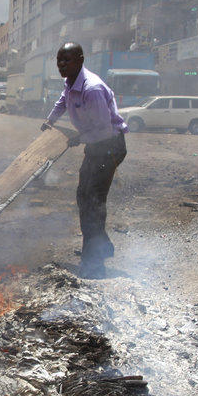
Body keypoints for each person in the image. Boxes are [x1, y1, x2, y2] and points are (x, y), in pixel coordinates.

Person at [41, 42, 128, 279]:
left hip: (109, 145)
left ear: (80, 59)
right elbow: (62, 102)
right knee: (83, 196)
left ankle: (95, 263)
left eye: (66, 60)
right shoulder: (70, 83)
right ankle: (100, 247)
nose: (61, 65)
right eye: (59, 60)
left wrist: (78, 138)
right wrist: (50, 120)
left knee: (94, 201)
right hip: (95, 145)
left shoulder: (92, 88)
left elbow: (103, 129)